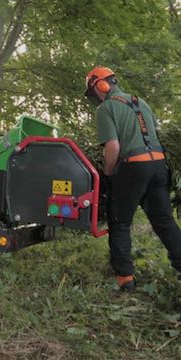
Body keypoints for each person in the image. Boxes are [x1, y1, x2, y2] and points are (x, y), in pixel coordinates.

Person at [84, 66, 181, 290]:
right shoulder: (141, 102)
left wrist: (108, 172)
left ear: (101, 85)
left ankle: (125, 278)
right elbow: (153, 132)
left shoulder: (106, 108)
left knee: (120, 222)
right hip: (158, 165)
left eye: (94, 92)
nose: (95, 98)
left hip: (133, 167)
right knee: (164, 220)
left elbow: (113, 146)